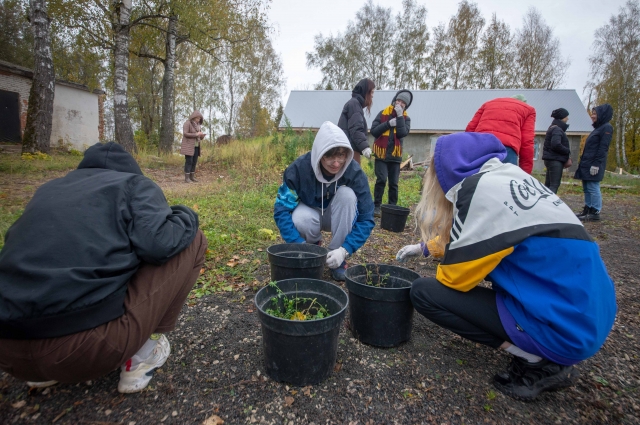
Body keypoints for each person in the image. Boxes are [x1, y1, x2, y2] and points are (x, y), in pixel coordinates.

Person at [396, 132, 616, 401]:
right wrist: (426, 247)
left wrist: (449, 258)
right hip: (590, 311)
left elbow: (455, 277)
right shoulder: (511, 178)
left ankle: (538, 361)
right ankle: (535, 342)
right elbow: (491, 233)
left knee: (424, 292)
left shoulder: (476, 191)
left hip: (565, 328)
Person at [0, 142, 206, 394]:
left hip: (9, 352)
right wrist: (185, 214)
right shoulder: (133, 184)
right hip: (83, 351)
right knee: (192, 239)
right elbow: (159, 244)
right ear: (131, 169)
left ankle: (41, 372)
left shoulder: (48, 189)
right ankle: (143, 354)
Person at [274, 121, 375, 281]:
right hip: (311, 213)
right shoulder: (299, 170)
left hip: (338, 215)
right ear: (319, 154)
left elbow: (367, 218)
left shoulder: (354, 173)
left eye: (341, 155)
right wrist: (297, 243)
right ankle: (312, 248)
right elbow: (281, 209)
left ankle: (337, 256)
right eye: (329, 156)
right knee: (300, 218)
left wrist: (345, 249)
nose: (336, 163)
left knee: (347, 195)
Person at [465, 94, 536, 174]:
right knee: (505, 181)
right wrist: (525, 174)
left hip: (481, 146)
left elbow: (470, 129)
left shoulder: (488, 104)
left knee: (475, 180)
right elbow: (527, 142)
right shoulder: (529, 110)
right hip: (507, 150)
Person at [370, 89, 413, 217]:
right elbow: (374, 131)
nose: (399, 103)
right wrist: (388, 124)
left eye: (403, 102)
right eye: (398, 100)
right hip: (381, 155)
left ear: (406, 105)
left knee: (393, 183)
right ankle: (376, 206)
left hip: (395, 156)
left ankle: (391, 207)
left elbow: (402, 133)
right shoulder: (383, 113)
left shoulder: (406, 118)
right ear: (394, 100)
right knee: (381, 180)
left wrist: (399, 117)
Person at [574, 104, 614, 222]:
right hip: (587, 163)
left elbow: (603, 147)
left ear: (602, 114)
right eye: (592, 113)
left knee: (593, 187)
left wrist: (596, 164)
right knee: (587, 187)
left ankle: (595, 211)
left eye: (595, 113)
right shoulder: (598, 128)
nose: (592, 116)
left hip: (594, 163)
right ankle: (588, 208)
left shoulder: (607, 128)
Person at [337, 78, 375, 164]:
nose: (372, 96)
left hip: (348, 149)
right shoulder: (354, 105)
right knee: (354, 176)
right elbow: (356, 129)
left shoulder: (355, 104)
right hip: (349, 150)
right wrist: (364, 147)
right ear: (366, 92)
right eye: (372, 92)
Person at [542, 108, 571, 194]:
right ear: (562, 117)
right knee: (554, 185)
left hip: (551, 159)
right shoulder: (557, 129)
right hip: (555, 160)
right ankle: (550, 204)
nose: (568, 118)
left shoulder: (552, 128)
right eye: (566, 116)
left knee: (548, 185)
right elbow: (556, 144)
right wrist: (567, 151)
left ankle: (544, 204)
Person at [181, 110, 206, 183]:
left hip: (196, 146)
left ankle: (192, 177)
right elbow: (185, 133)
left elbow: (198, 135)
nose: (198, 120)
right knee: (189, 161)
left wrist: (201, 136)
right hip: (188, 146)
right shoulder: (187, 123)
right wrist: (196, 134)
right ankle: (187, 178)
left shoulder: (198, 125)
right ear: (193, 117)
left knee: (194, 161)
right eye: (197, 118)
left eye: (199, 118)